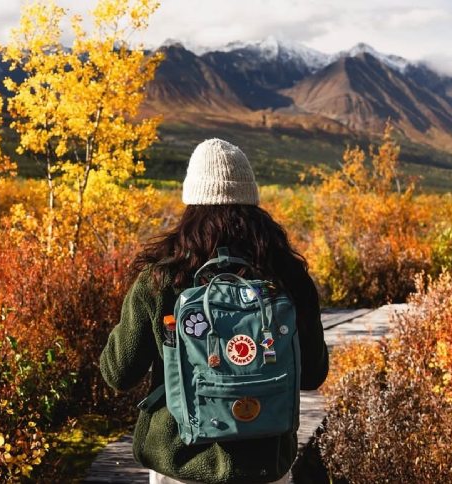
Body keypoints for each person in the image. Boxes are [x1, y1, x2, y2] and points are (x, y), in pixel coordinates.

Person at [99, 138, 329, 484]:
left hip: (180, 462)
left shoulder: (162, 277)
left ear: (191, 200)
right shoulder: (287, 275)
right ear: (252, 199)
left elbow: (118, 373)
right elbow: (312, 374)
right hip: (264, 465)